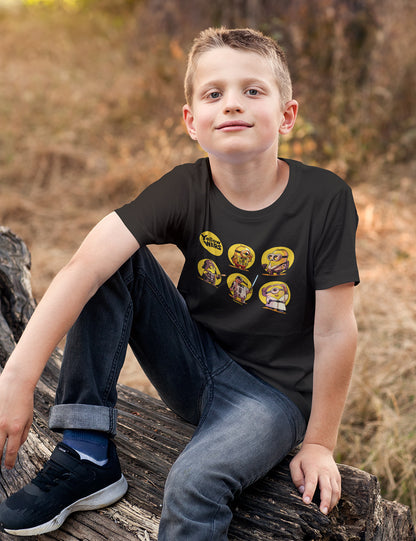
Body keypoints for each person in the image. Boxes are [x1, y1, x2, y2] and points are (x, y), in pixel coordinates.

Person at [0, 27, 359, 539]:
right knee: (113, 260)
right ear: (192, 121)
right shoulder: (185, 188)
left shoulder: (324, 199)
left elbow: (336, 331)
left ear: (287, 115)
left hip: (271, 400)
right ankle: (86, 453)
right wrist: (17, 379)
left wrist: (320, 442)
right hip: (193, 366)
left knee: (191, 485)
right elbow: (84, 266)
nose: (232, 103)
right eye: (214, 93)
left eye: (252, 90)